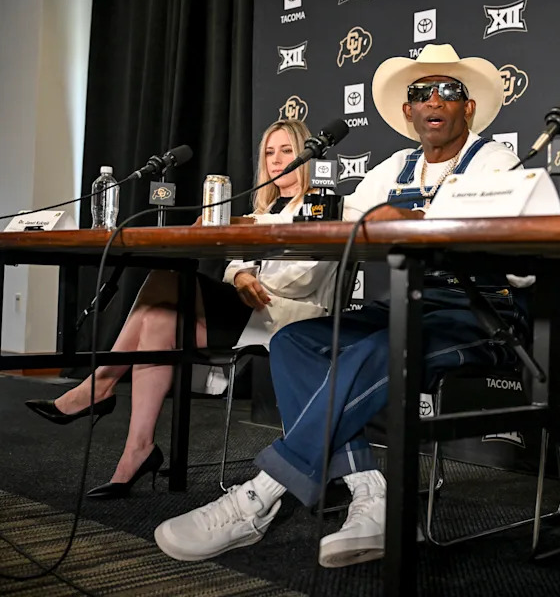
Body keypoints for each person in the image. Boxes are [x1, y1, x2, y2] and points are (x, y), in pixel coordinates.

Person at [153, 44, 528, 566]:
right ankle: (372, 493)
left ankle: (257, 497)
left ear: (468, 107)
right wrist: (245, 230)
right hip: (403, 307)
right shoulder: (395, 165)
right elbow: (332, 219)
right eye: (421, 93)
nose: (434, 100)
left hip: (476, 314)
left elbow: (522, 261)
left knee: (374, 348)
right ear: (407, 111)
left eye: (449, 91)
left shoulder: (497, 161)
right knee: (296, 341)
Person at [25, 119, 338, 499]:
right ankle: (136, 449)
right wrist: (239, 275)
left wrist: (244, 274)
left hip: (282, 313)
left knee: (167, 283)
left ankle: (101, 385)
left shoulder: (326, 202)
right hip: (246, 306)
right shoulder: (266, 206)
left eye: (286, 151)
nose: (276, 160)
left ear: (306, 153)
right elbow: (237, 263)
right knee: (159, 312)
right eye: (269, 153)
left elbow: (304, 277)